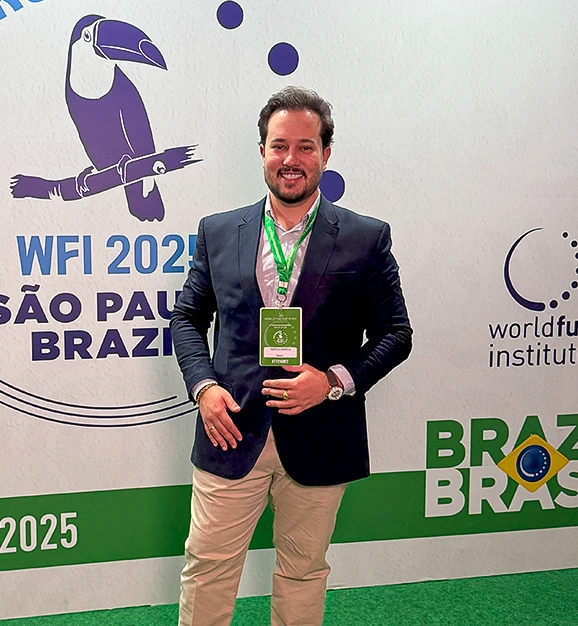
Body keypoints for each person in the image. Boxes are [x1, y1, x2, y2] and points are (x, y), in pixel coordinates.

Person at [170, 86, 412, 626]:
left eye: (306, 146)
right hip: (231, 429)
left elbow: (396, 334)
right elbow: (186, 319)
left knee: (303, 571)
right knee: (207, 568)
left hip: (322, 431)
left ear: (326, 154)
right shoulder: (217, 232)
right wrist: (204, 389)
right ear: (262, 152)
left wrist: (332, 381)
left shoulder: (366, 237)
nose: (291, 159)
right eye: (280, 146)